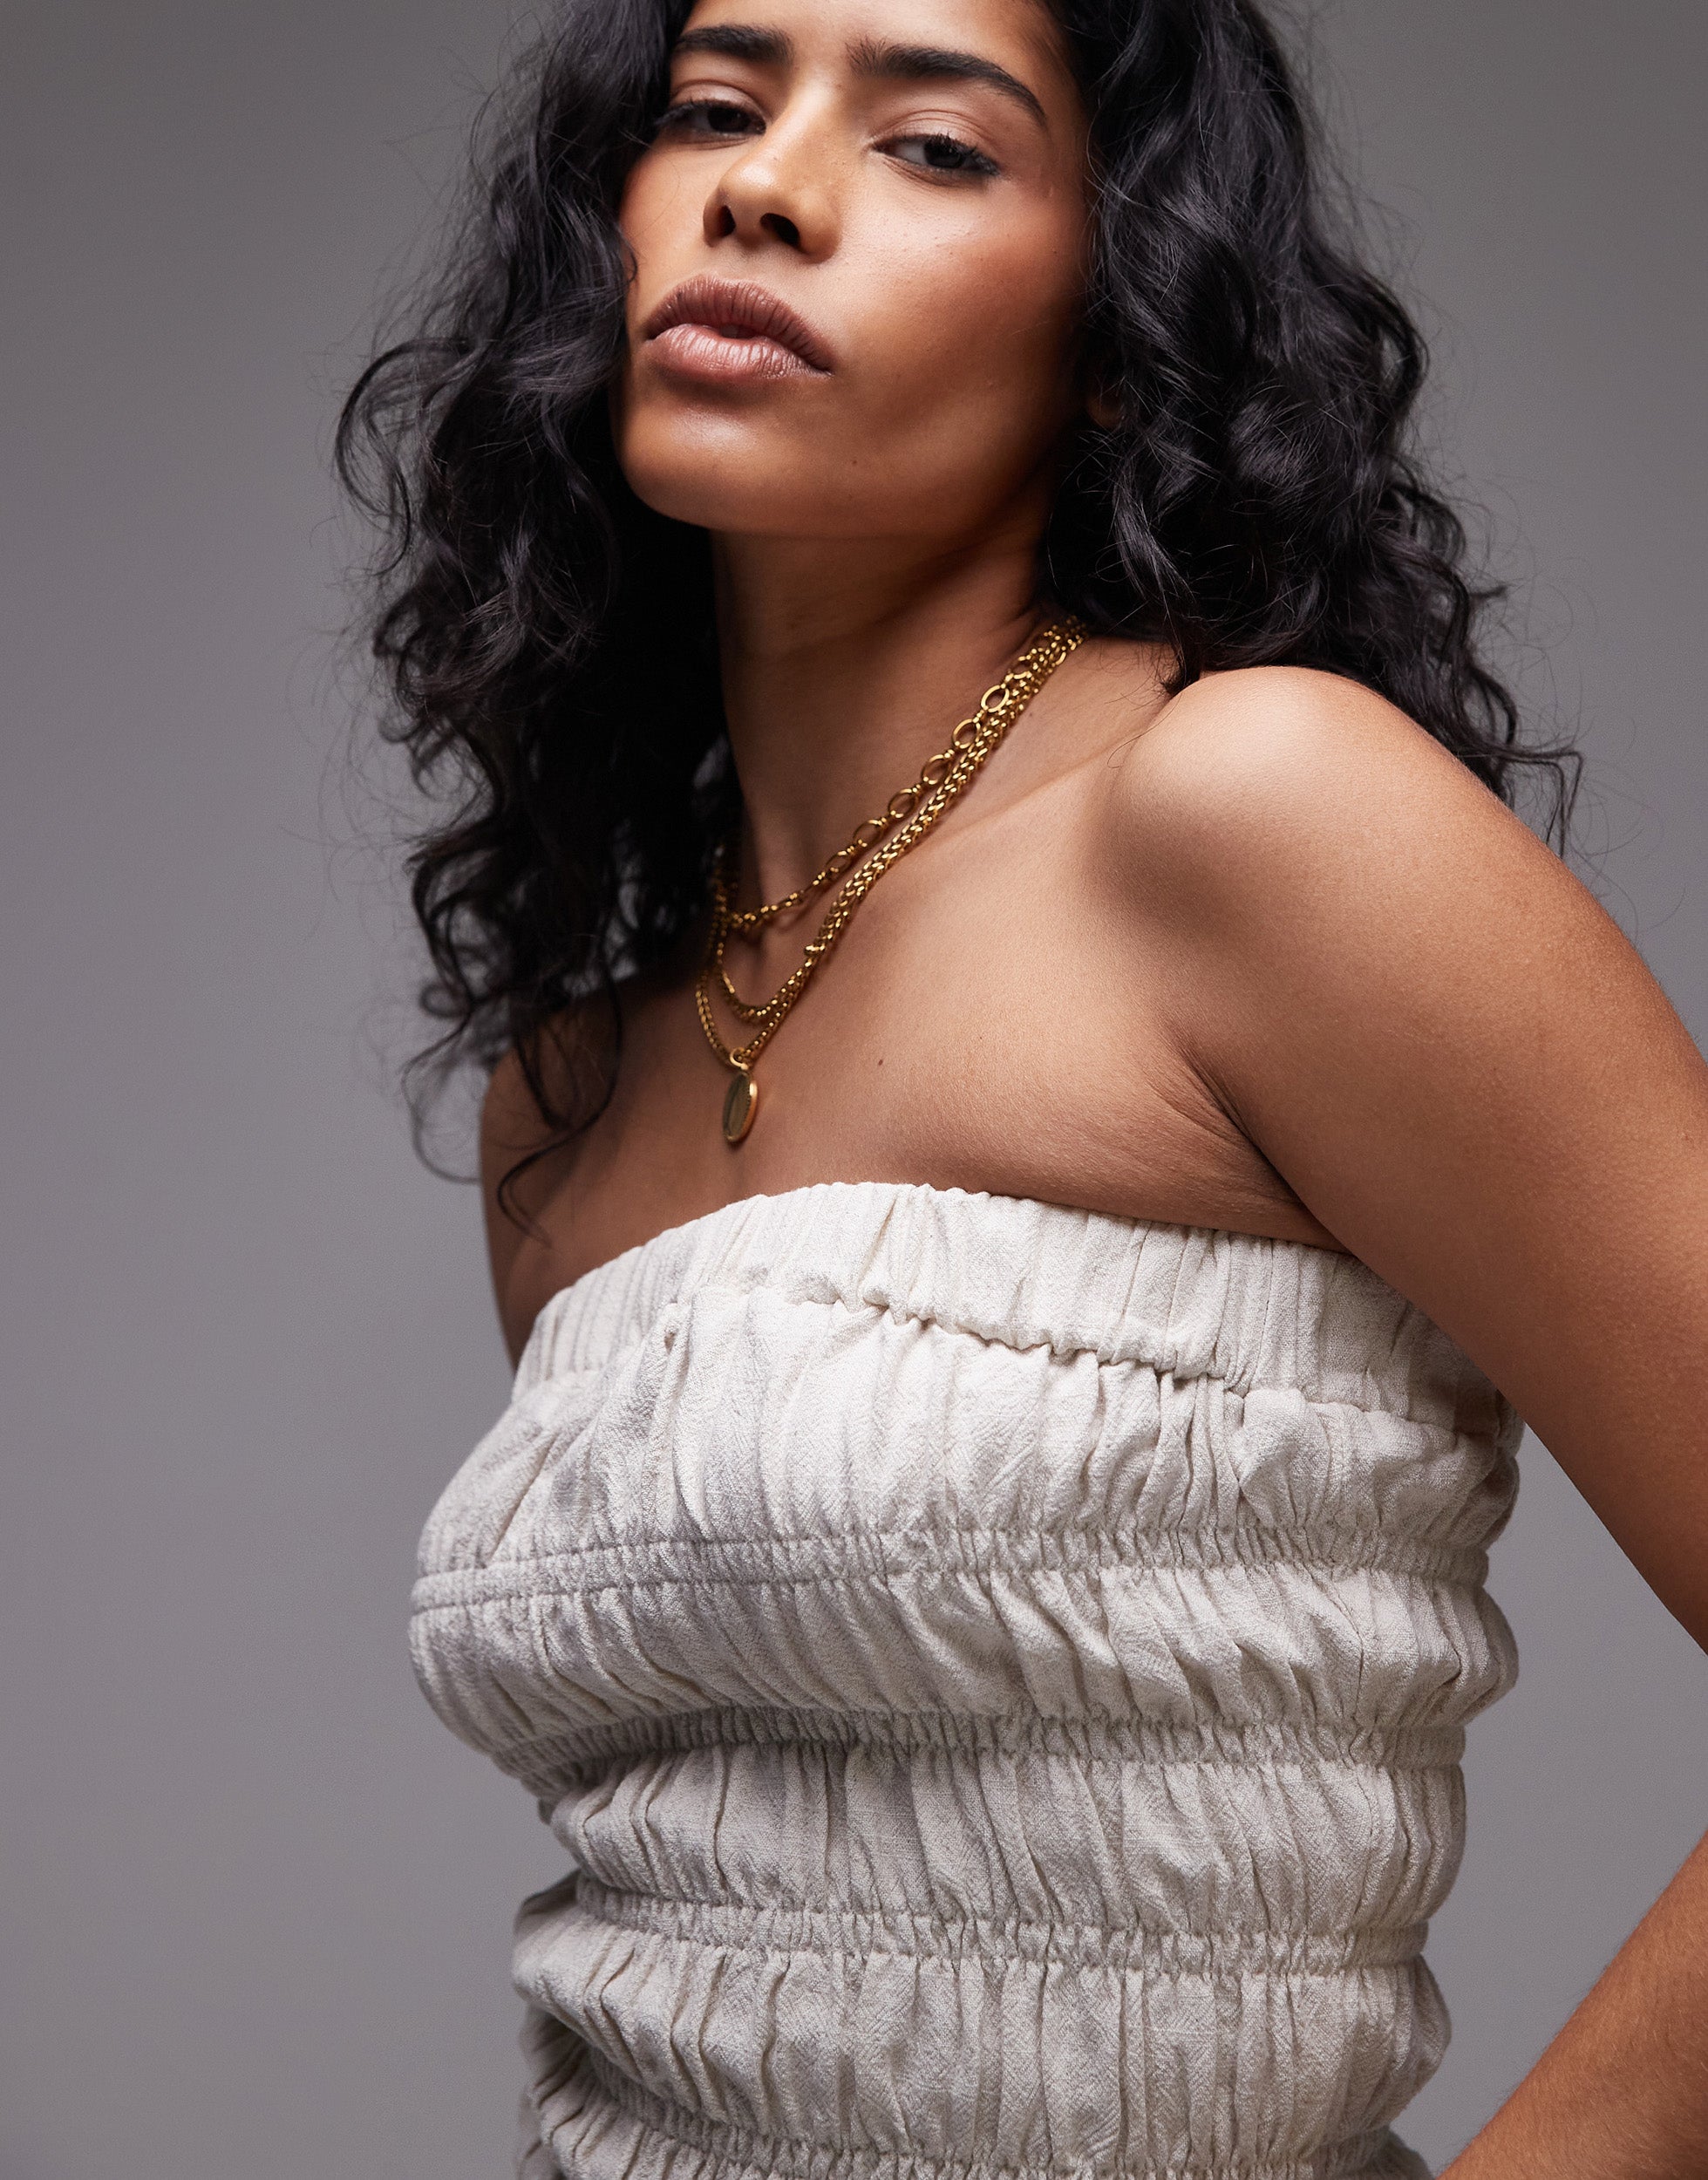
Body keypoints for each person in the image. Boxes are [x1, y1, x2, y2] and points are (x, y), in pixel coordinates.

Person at [341, 1, 1708, 2173]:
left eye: (934, 145)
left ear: (1115, 337)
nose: (760, 186)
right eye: (710, 108)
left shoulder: (1253, 817)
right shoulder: (570, 1101)